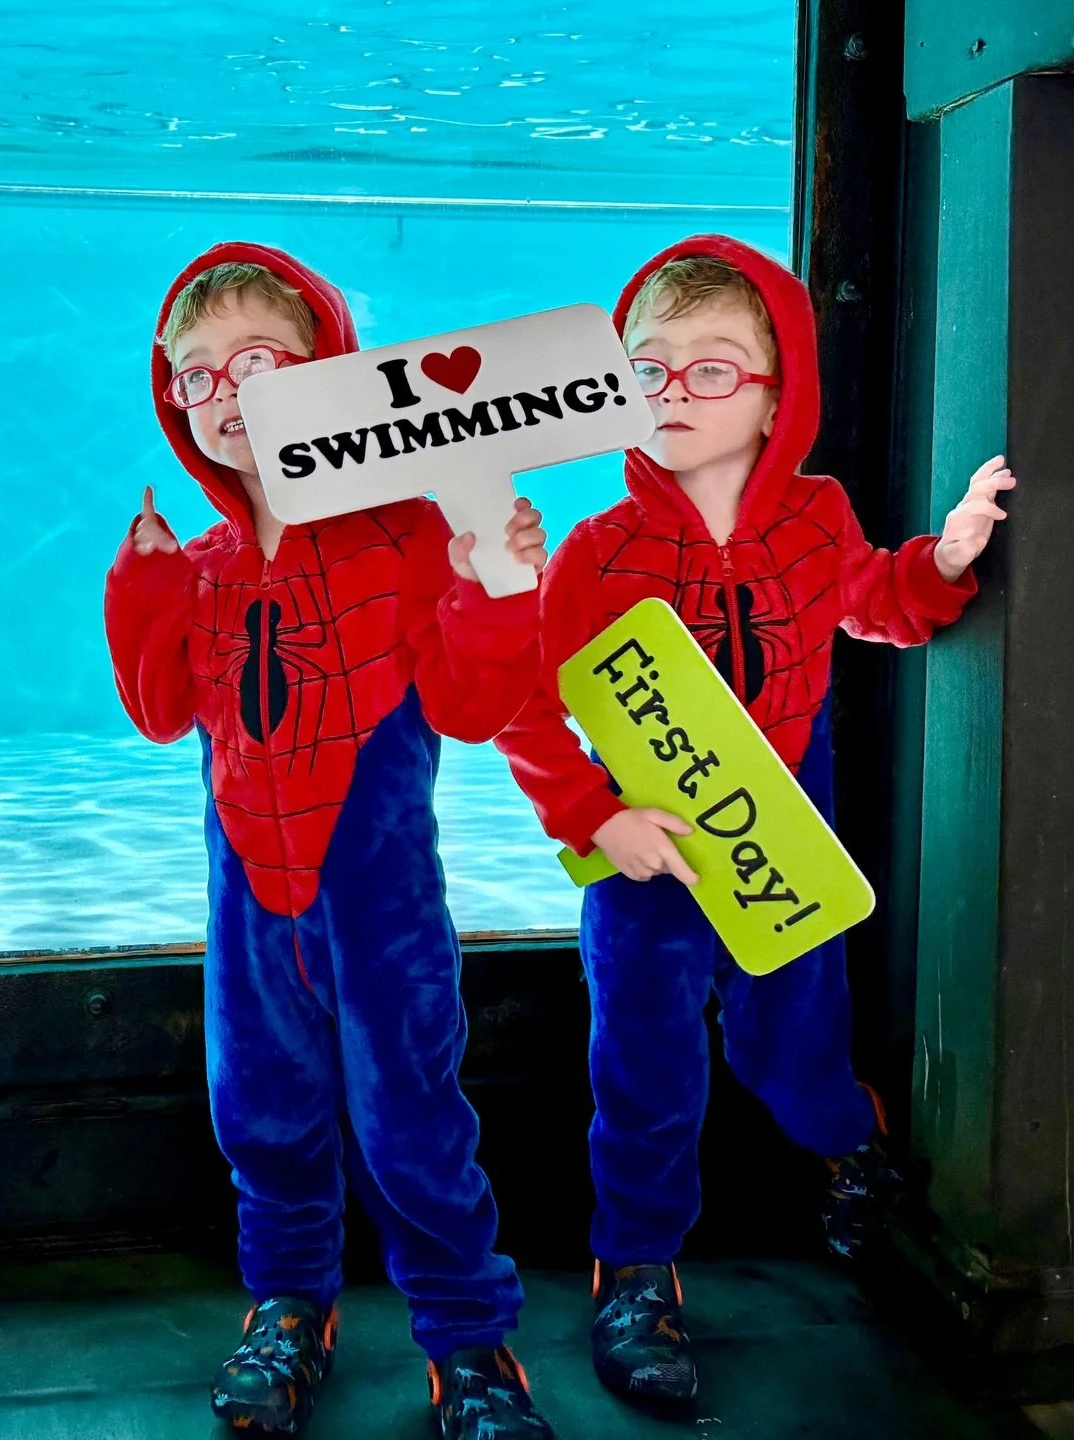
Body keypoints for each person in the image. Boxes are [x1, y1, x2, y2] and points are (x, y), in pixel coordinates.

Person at [496, 234, 1015, 1405]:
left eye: (713, 366)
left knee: (790, 1048)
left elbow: (878, 603)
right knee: (644, 1064)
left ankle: (850, 1140)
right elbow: (526, 703)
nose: (675, 391)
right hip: (646, 854)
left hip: (789, 829)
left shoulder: (817, 518)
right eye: (650, 367)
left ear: (781, 392)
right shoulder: (597, 552)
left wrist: (948, 556)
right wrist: (596, 814)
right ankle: (636, 1273)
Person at [104, 241, 559, 1438]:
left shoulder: (408, 537)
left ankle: (469, 1337)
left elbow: (471, 703)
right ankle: (289, 1307)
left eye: (260, 361)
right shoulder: (198, 567)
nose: (227, 393)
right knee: (260, 1109)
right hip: (251, 912)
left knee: (412, 1117)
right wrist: (144, 586)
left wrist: (500, 587)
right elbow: (156, 711)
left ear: (330, 375)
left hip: (383, 910)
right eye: (195, 374)